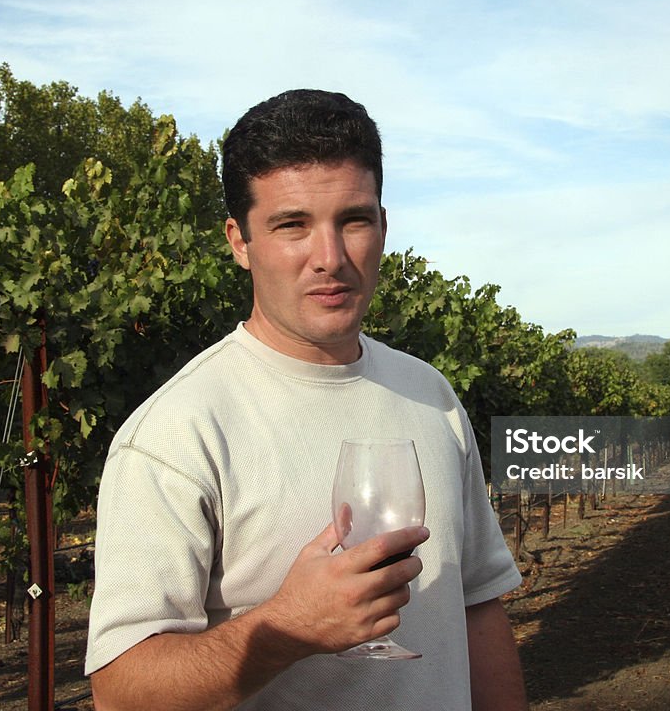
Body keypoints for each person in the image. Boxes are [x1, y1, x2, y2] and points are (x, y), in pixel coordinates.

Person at [85, 89, 528, 710]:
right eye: (292, 225)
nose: (331, 258)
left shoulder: (431, 395)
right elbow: (120, 693)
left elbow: (476, 605)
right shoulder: (177, 433)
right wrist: (288, 629)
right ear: (240, 242)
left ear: (382, 226)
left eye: (354, 220)